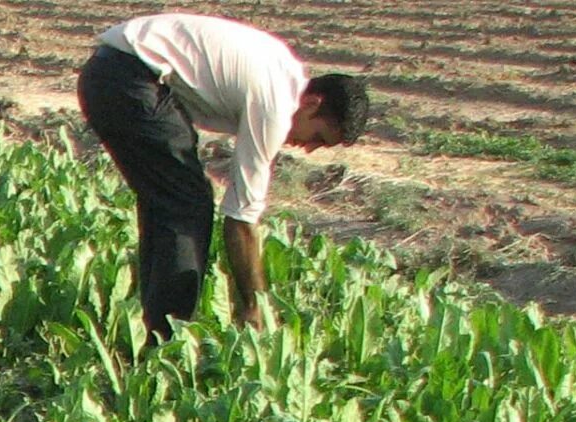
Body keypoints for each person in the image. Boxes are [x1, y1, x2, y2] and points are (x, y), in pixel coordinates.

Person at [77, 14, 370, 339]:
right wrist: (255, 305)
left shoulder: (282, 70)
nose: (309, 149)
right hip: (130, 78)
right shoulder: (275, 105)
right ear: (312, 103)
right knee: (187, 205)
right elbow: (241, 219)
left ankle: (155, 330)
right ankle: (166, 341)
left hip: (113, 73)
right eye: (318, 136)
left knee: (171, 202)